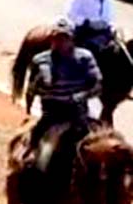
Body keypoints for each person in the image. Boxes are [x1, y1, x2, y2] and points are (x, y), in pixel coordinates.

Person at [27, 18, 102, 154]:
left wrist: (80, 96)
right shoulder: (40, 60)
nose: (60, 42)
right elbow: (31, 90)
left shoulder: (85, 58)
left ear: (72, 39)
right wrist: (42, 84)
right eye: (56, 38)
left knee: (100, 144)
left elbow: (97, 85)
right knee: (41, 153)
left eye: (64, 38)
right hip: (52, 112)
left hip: (79, 111)